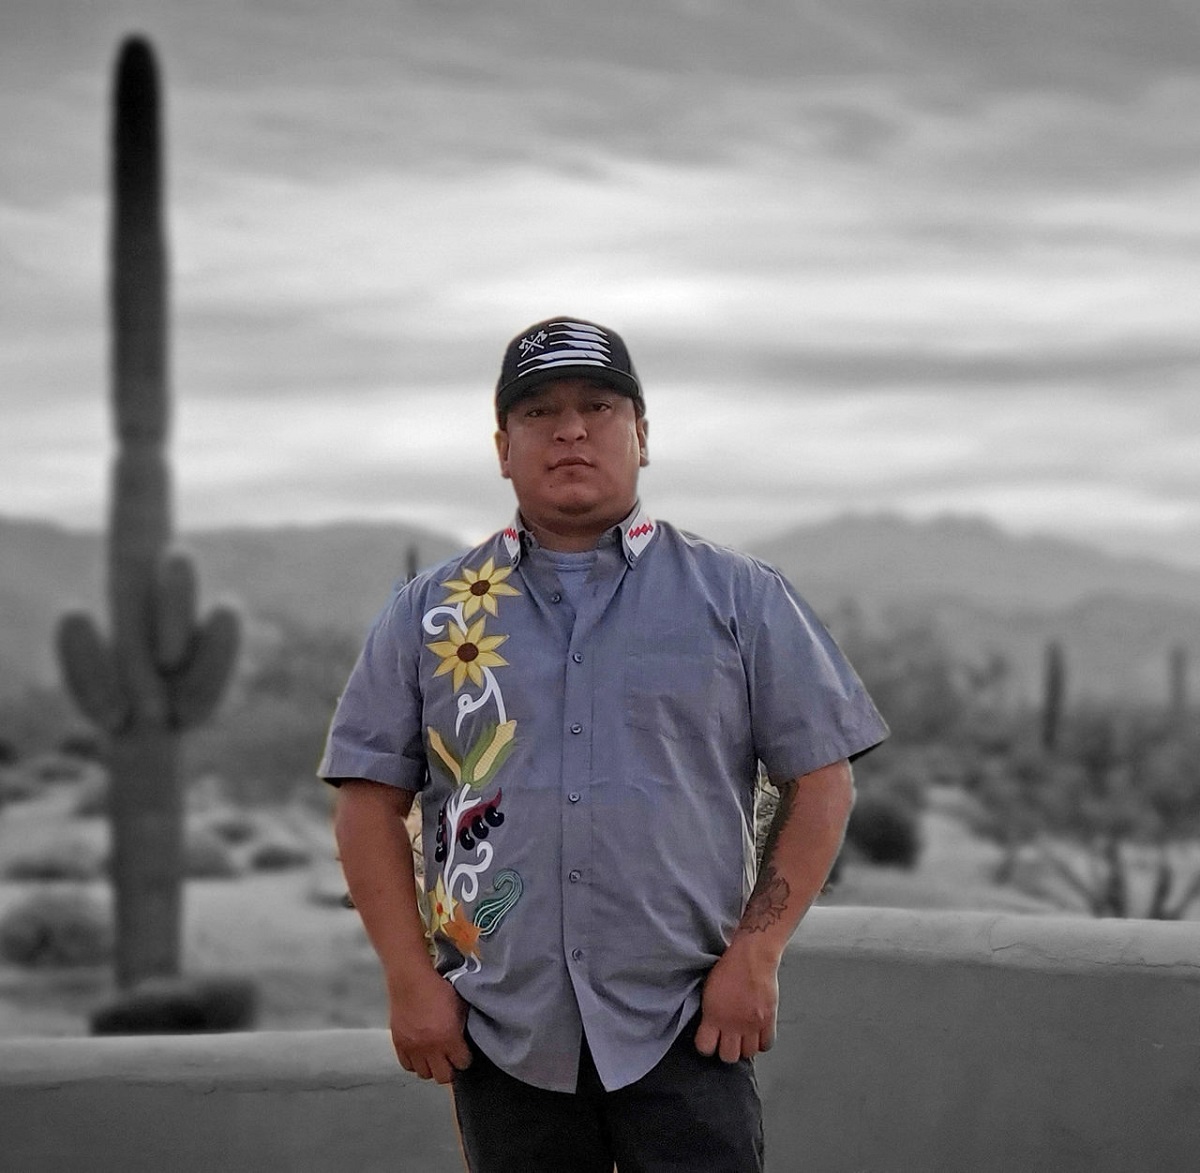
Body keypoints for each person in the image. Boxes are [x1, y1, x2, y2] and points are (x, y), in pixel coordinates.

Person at [319, 315, 889, 1172]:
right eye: (539, 412)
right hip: (503, 1031)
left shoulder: (741, 597)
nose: (571, 429)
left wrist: (756, 955)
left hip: (692, 1021)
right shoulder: (428, 615)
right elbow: (368, 803)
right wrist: (410, 979)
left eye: (598, 405)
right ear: (503, 446)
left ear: (643, 435)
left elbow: (823, 780)